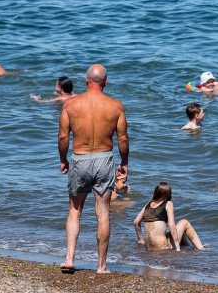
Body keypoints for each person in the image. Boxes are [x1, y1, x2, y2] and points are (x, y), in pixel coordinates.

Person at [58, 64, 129, 273]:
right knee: (103, 213)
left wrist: (63, 159)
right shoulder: (116, 106)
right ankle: (101, 266)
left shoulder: (71, 105)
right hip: (104, 159)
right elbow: (123, 139)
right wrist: (124, 163)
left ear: (85, 80)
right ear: (106, 82)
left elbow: (63, 136)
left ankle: (70, 259)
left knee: (74, 210)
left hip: (79, 158)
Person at [133, 182, 203, 251]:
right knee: (184, 222)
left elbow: (136, 222)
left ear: (155, 193)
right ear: (168, 194)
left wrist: (141, 240)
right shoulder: (168, 203)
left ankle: (188, 247)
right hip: (163, 246)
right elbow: (172, 226)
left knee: (178, 231)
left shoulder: (148, 204)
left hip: (149, 247)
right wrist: (177, 248)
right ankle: (201, 248)